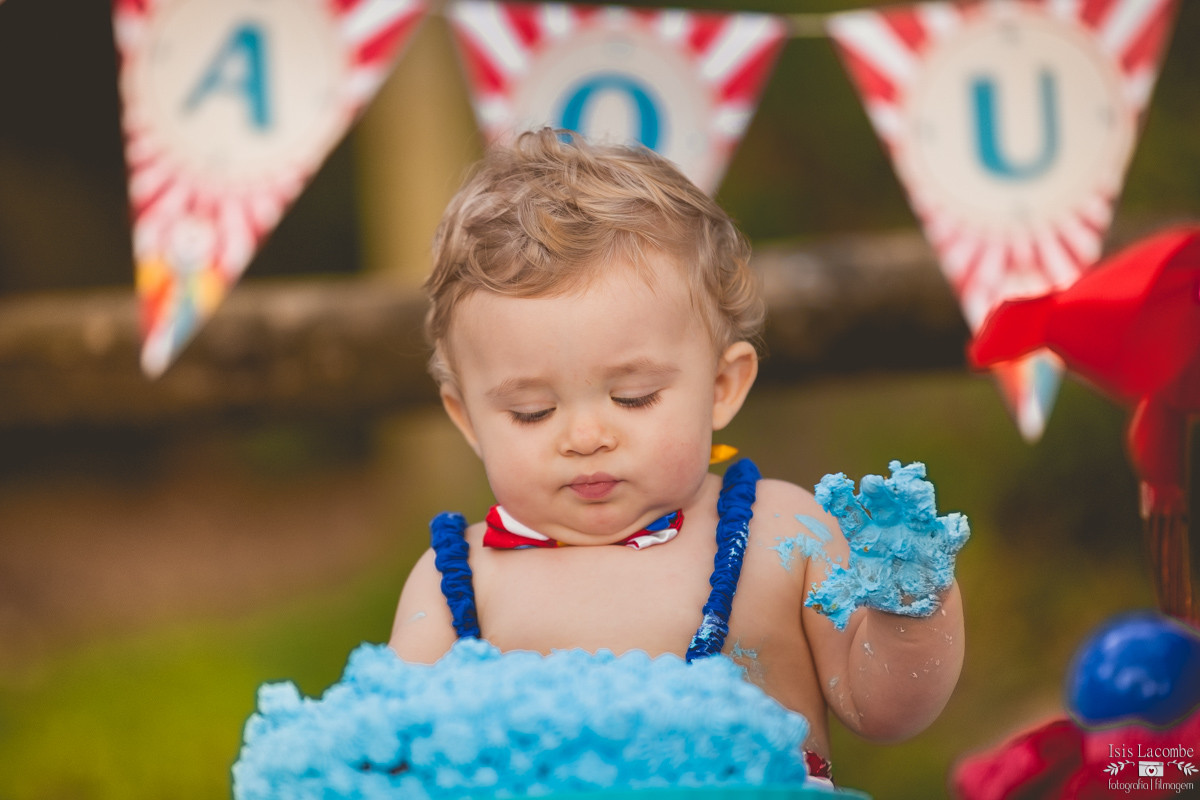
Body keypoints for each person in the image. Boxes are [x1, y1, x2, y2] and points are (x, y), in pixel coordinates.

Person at [387, 128, 965, 776]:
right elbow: (389, 756)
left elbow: (884, 709)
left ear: (721, 387)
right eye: (532, 412)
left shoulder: (778, 534)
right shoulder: (455, 584)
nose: (585, 437)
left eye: (633, 397)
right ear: (467, 420)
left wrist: (911, 606)